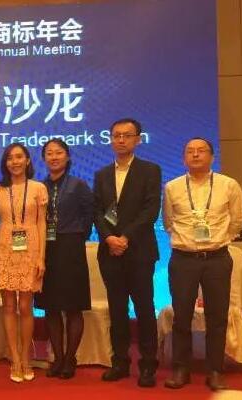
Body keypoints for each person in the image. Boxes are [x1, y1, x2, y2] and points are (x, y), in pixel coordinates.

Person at [163, 138, 242, 391]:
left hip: (217, 259)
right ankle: (181, 368)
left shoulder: (228, 185)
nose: (195, 155)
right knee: (181, 316)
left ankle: (215, 370)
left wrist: (218, 240)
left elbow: (238, 220)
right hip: (183, 259)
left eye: (201, 151)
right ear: (184, 158)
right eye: (190, 151)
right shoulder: (172, 187)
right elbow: (168, 222)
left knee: (217, 317)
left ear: (212, 156)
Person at [93, 118, 161, 387]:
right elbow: (98, 211)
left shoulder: (150, 170)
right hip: (110, 252)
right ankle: (120, 361)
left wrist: (125, 237)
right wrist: (109, 238)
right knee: (117, 309)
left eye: (127, 135)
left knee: (144, 308)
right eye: (116, 135)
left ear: (138, 139)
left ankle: (148, 365)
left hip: (139, 251)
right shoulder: (101, 174)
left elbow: (150, 210)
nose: (120, 140)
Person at [35, 138, 93, 379]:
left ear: (67, 157)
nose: (54, 157)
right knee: (51, 307)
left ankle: (70, 359)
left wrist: (77, 236)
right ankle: (57, 358)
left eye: (58, 153)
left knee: (73, 307)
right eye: (49, 153)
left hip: (71, 249)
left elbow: (89, 215)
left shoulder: (79, 185)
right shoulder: (39, 186)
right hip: (46, 249)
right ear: (44, 158)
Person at [0, 143, 47, 383]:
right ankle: (14, 359)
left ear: (27, 160)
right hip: (4, 247)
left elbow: (42, 223)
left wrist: (41, 257)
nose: (14, 162)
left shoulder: (38, 188)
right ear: (5, 163)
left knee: (25, 307)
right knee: (8, 306)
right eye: (9, 158)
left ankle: (26, 357)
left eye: (18, 157)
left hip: (30, 248)